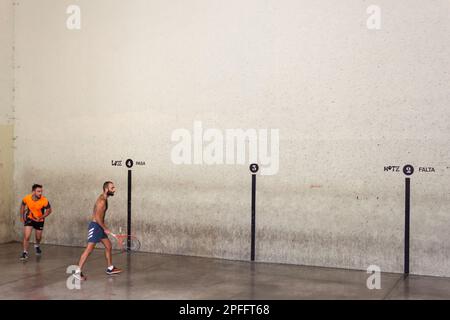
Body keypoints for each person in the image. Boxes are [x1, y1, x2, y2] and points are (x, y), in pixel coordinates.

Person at [74, 181, 122, 280]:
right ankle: (77, 272)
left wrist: (103, 228)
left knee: (108, 246)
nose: (114, 189)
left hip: (99, 226)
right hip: (96, 226)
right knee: (89, 249)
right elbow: (97, 217)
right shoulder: (102, 201)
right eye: (112, 188)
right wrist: (105, 228)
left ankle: (110, 268)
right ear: (106, 189)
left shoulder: (104, 198)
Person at [20, 184, 52, 260]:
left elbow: (49, 210)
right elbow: (22, 205)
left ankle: (37, 245)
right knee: (27, 236)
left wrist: (41, 217)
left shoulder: (44, 200)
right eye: (38, 191)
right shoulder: (26, 198)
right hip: (29, 218)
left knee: (38, 237)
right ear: (33, 192)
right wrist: (21, 216)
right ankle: (25, 253)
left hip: (39, 220)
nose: (40, 193)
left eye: (41, 191)